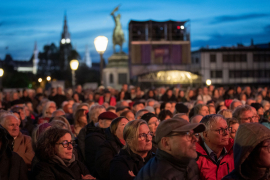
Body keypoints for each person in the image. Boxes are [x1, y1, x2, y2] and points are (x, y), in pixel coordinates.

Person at [135, 118, 205, 180]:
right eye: (187, 134)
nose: (195, 139)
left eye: (194, 134)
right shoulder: (158, 175)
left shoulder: (189, 162)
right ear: (166, 143)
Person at [196, 114, 234, 180]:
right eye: (220, 130)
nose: (226, 133)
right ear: (206, 135)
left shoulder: (235, 151)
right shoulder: (194, 157)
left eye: (227, 129)